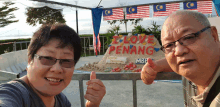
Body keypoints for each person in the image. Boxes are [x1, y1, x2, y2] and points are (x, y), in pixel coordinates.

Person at [0, 23, 106, 107]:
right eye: (47, 58)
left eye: (66, 61)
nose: (57, 69)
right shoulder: (13, 94)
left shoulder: (61, 101)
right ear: (30, 60)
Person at [141, 10, 220, 107]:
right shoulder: (190, 65)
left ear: (214, 35)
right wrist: (155, 66)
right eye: (169, 45)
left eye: (188, 37)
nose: (178, 52)